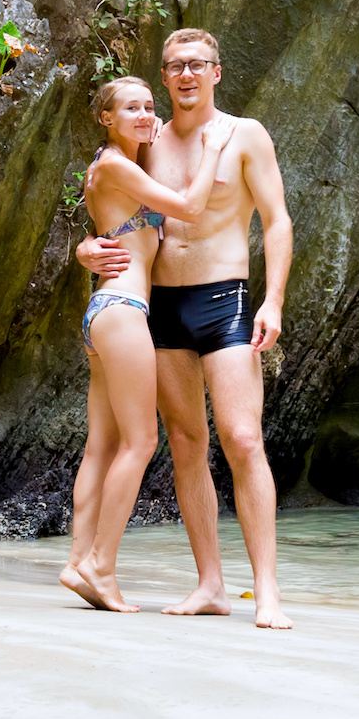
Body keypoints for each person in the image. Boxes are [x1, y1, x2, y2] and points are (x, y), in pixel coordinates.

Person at [77, 28, 294, 629]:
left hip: (226, 298)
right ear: (165, 75)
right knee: (185, 444)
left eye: (198, 64)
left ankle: (268, 591)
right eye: (174, 66)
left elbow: (277, 222)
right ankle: (210, 585)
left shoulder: (243, 135)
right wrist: (86, 248)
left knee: (244, 439)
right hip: (162, 306)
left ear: (217, 72)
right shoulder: (147, 143)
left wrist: (272, 300)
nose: (186, 75)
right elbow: (114, 202)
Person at [62, 76, 233, 613]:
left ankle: (76, 561)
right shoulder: (114, 164)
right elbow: (185, 206)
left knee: (103, 447)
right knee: (139, 443)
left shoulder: (115, 164)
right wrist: (210, 151)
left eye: (147, 106)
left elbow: (117, 224)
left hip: (105, 313)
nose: (143, 114)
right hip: (125, 309)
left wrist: (84, 248)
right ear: (104, 117)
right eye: (129, 107)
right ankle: (101, 567)